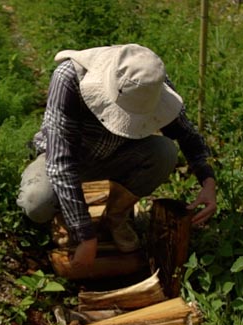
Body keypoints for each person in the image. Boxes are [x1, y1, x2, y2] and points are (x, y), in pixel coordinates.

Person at [16, 44, 216, 276]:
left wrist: (208, 181)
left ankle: (116, 216)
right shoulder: (69, 78)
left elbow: (186, 134)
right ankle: (63, 214)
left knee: (164, 152)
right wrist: (86, 236)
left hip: (119, 156)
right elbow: (61, 162)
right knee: (36, 201)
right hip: (68, 158)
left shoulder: (151, 83)